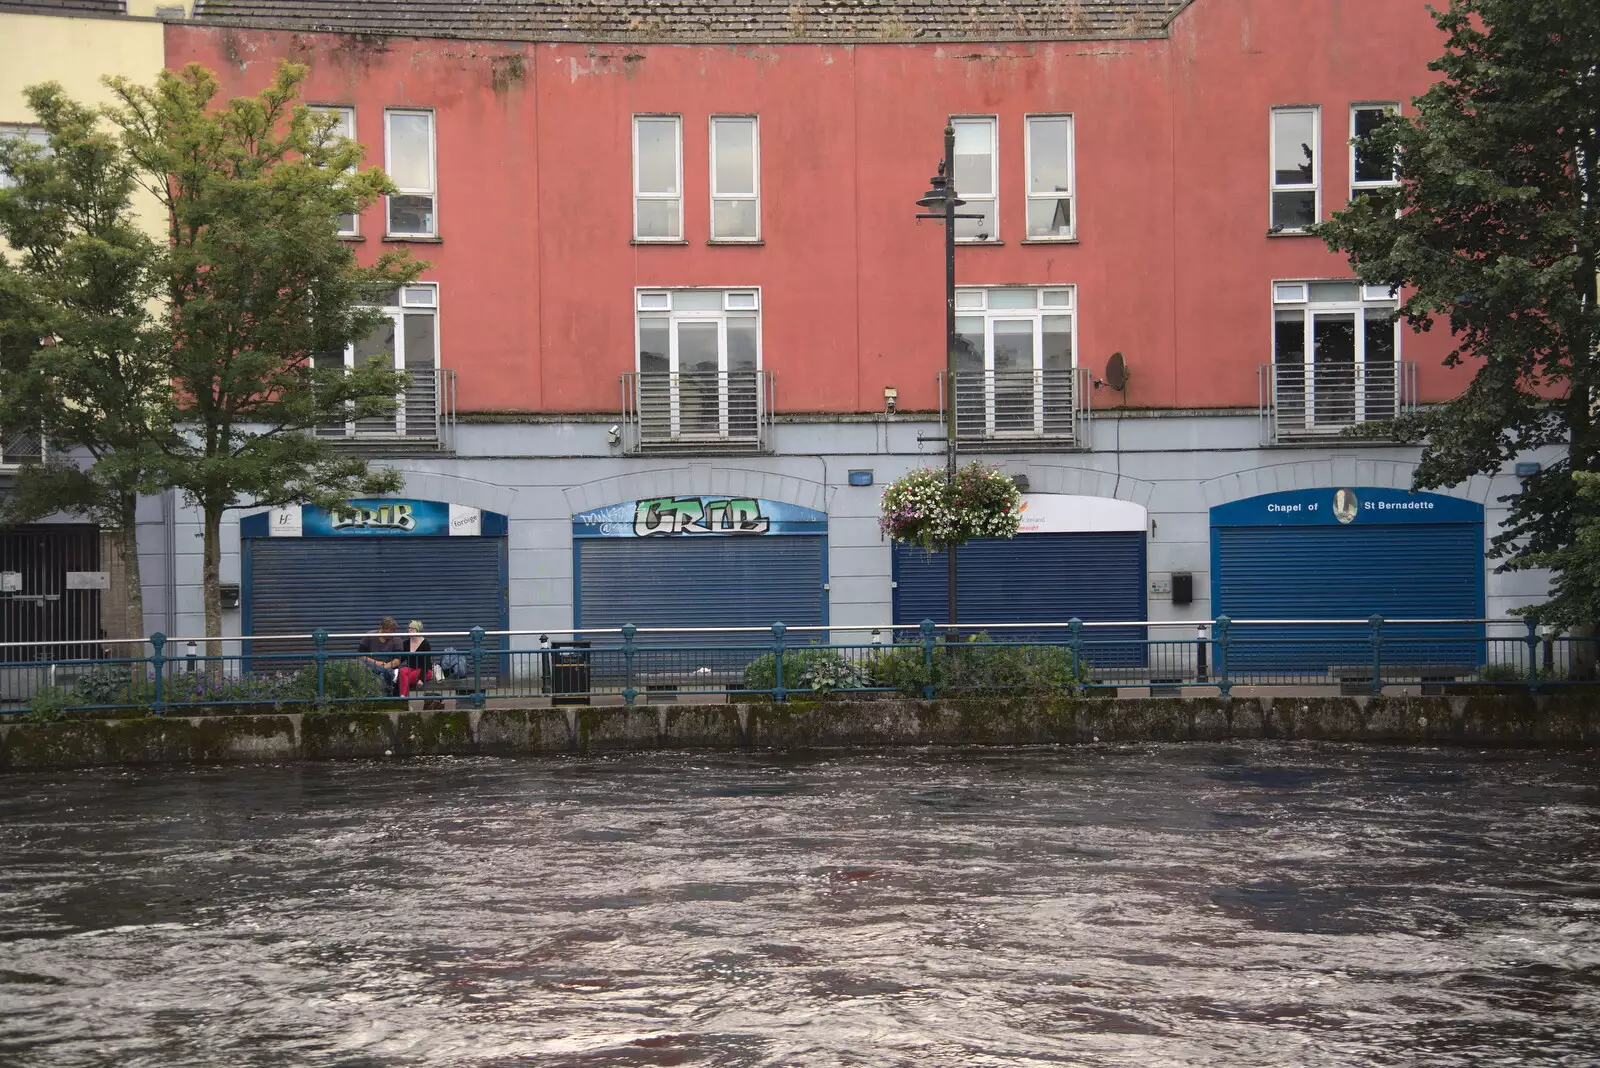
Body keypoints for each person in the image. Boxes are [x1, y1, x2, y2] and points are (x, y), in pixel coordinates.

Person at [357, 616, 403, 693]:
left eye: (392, 630)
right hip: (371, 666)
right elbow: (361, 656)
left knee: (389, 672)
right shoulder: (369, 636)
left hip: (388, 666)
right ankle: (385, 673)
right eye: (388, 630)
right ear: (382, 628)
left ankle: (384, 673)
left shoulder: (397, 639)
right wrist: (376, 663)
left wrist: (386, 666)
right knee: (366, 665)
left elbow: (397, 660)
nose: (391, 633)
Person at [396, 619, 432, 698]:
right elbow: (401, 658)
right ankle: (404, 697)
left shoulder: (425, 644)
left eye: (411, 629)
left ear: (417, 630)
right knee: (402, 671)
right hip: (411, 669)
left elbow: (426, 663)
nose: (409, 630)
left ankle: (403, 698)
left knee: (403, 678)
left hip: (424, 670)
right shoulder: (406, 643)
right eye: (409, 628)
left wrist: (421, 679)